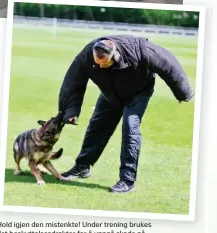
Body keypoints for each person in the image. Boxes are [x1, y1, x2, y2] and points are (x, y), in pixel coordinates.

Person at [58, 34, 194, 193]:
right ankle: (82, 167)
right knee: (97, 126)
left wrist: (182, 92)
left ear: (114, 56)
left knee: (130, 129)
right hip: (110, 94)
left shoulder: (137, 48)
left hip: (138, 93)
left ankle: (127, 181)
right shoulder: (87, 56)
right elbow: (73, 82)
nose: (101, 67)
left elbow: (167, 63)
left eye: (105, 64)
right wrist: (71, 111)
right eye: (98, 64)